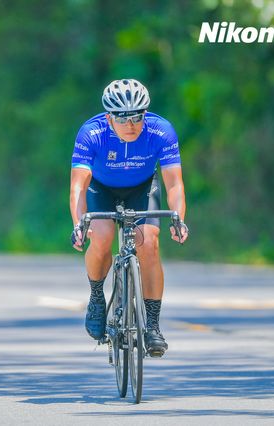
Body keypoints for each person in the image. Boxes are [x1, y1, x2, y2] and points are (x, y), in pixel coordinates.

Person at [69, 79, 189, 357]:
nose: (131, 125)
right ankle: (97, 296)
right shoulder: (91, 133)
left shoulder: (161, 131)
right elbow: (78, 186)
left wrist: (179, 219)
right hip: (101, 188)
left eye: (137, 117)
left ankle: (153, 326)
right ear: (109, 117)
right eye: (123, 118)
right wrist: (79, 223)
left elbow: (174, 183)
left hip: (142, 187)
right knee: (101, 236)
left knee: (149, 243)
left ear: (145, 114)